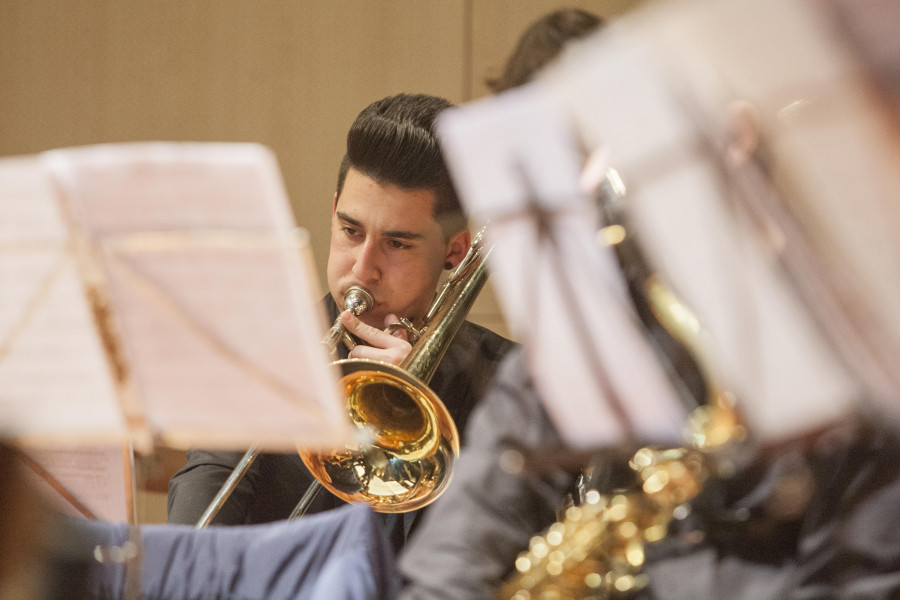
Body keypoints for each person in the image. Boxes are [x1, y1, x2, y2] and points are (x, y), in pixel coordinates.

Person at [396, 2, 900, 600]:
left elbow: (861, 580)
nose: (588, 189)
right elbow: (451, 555)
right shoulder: (594, 320)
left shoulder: (858, 356)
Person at [167, 93, 516, 554]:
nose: (362, 268)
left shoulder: (506, 383)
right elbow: (196, 528)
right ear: (333, 210)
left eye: (397, 244)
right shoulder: (264, 349)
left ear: (454, 250)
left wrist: (419, 408)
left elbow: (483, 560)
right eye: (351, 231)